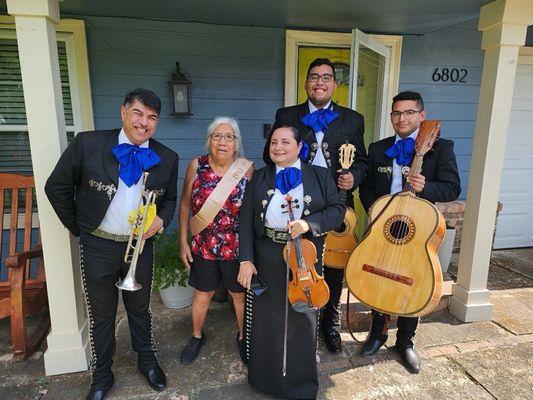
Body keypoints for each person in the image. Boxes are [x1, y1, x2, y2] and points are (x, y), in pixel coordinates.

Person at [45, 89, 179, 400]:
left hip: (140, 247)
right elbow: (57, 187)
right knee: (102, 314)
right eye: (138, 113)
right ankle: (102, 375)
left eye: (151, 118)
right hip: (99, 245)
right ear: (123, 112)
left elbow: (170, 200)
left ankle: (147, 360)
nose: (143, 123)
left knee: (140, 309)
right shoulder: (88, 143)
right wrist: (80, 228)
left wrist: (161, 220)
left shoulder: (167, 157)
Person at [263, 58, 368, 353]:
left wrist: (353, 177)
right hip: (294, 203)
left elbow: (361, 161)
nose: (320, 83)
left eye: (326, 78)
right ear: (306, 83)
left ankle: (329, 324)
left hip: (337, 203)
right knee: (294, 262)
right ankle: (294, 322)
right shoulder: (287, 114)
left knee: (332, 268)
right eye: (314, 77)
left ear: (334, 84)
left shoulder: (352, 119)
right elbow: (271, 154)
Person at [358, 90, 461, 373]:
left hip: (417, 232)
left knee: (412, 284)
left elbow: (452, 188)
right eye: (396, 113)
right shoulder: (378, 148)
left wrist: (425, 186)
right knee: (379, 277)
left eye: (408, 113)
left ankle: (405, 342)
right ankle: (377, 333)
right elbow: (365, 186)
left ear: (422, 116)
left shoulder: (441, 147)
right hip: (384, 228)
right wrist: (374, 210)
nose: (401, 118)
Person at [239, 126, 344, 399]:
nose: (278, 147)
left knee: (302, 319)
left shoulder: (320, 176)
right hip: (266, 256)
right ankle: (264, 379)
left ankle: (300, 385)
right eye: (274, 142)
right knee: (267, 319)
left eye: (286, 142)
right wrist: (246, 260)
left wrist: (309, 223)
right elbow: (245, 223)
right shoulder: (260, 178)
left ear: (299, 147)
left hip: (305, 258)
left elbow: (336, 211)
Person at [178, 117, 253, 365]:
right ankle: (196, 336)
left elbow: (252, 211)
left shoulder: (246, 168)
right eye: (217, 136)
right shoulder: (196, 165)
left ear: (236, 143)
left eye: (229, 137)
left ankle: (244, 337)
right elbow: (186, 204)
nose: (222, 142)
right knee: (202, 294)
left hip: (237, 247)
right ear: (209, 140)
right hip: (203, 246)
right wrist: (183, 241)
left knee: (239, 295)